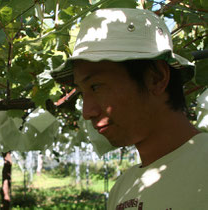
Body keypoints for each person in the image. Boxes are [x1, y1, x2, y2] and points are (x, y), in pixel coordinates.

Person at [51, 8, 208, 209]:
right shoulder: (123, 188)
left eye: (96, 87)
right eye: (82, 93)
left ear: (156, 78)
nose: (86, 111)